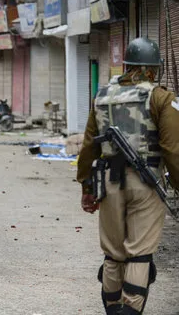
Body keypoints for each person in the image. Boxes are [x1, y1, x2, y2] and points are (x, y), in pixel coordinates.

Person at [77, 37, 179, 315]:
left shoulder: (102, 95)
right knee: (140, 252)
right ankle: (130, 310)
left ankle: (112, 308)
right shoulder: (160, 97)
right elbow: (172, 149)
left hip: (108, 181)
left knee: (113, 253)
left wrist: (87, 186)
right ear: (152, 68)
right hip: (146, 183)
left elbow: (89, 146)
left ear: (128, 64)